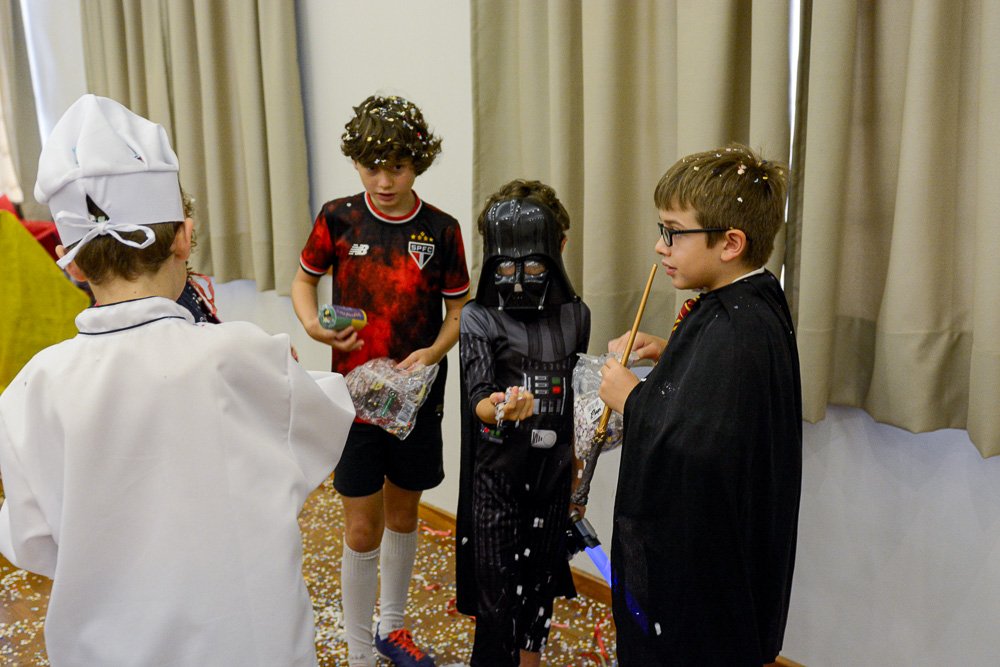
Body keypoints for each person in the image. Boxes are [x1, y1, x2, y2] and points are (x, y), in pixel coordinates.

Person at [0, 94, 356, 666]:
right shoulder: (242, 353)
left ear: (70, 261)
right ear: (184, 238)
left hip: (110, 649)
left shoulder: (28, 391)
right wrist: (286, 370)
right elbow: (319, 432)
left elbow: (30, 541)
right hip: (248, 643)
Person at [599, 144, 802, 666]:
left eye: (673, 231)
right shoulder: (750, 302)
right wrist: (671, 351)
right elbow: (719, 394)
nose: (660, 246)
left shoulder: (737, 327)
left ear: (730, 242)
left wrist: (631, 399)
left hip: (702, 573)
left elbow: (701, 446)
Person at [291, 94, 470, 667]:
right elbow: (304, 282)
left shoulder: (441, 230)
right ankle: (359, 650)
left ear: (419, 163)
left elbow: (459, 310)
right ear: (355, 162)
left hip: (417, 399)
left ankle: (392, 628)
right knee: (362, 527)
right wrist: (314, 326)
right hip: (354, 399)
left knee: (403, 515)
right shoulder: (338, 217)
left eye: (397, 167)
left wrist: (434, 351)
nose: (384, 180)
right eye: (371, 167)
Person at [455, 179, 591, 667]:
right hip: (497, 479)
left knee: (538, 594)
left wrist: (577, 467)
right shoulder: (478, 317)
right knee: (497, 605)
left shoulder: (576, 316)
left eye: (532, 266)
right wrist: (499, 407)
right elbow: (477, 396)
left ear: (558, 249)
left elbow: (574, 398)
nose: (517, 280)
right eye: (505, 267)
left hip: (551, 478)